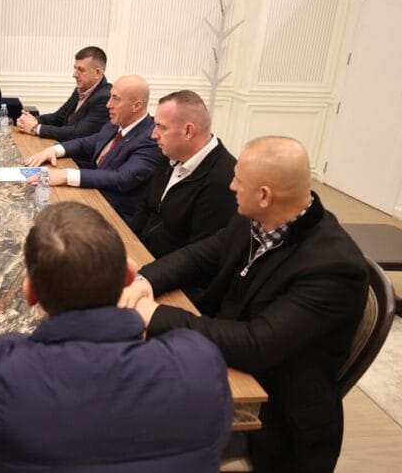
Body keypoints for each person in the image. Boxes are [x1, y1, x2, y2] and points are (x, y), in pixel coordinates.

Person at [121, 136, 368, 472]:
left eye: (238, 180)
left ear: (265, 196)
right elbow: (199, 256)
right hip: (226, 368)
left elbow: (256, 344)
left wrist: (155, 314)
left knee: (130, 428)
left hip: (270, 418)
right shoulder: (257, 218)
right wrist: (145, 280)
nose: (231, 186)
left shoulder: (333, 267)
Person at [0, 201, 233, 471]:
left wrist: (1, 350)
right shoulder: (199, 364)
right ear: (130, 276)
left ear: (30, 292)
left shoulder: (0, 371)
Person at [24, 75, 161, 221]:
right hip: (91, 193)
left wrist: (65, 175)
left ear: (136, 106)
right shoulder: (116, 123)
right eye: (110, 97)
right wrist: (53, 150)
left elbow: (122, 178)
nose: (108, 105)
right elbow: (87, 142)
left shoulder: (150, 138)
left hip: (114, 213)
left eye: (116, 99)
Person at [129, 90, 236, 258]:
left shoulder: (222, 180)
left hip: (163, 268)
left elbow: (199, 255)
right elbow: (146, 207)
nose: (153, 135)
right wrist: (126, 243)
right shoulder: (171, 153)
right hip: (141, 253)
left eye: (161, 127)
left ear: (188, 131)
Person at [16, 46, 111, 141]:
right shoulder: (81, 89)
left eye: (81, 70)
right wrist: (31, 120)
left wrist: (35, 128)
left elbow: (78, 133)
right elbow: (58, 117)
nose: (75, 74)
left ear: (97, 73)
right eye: (75, 68)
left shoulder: (104, 98)